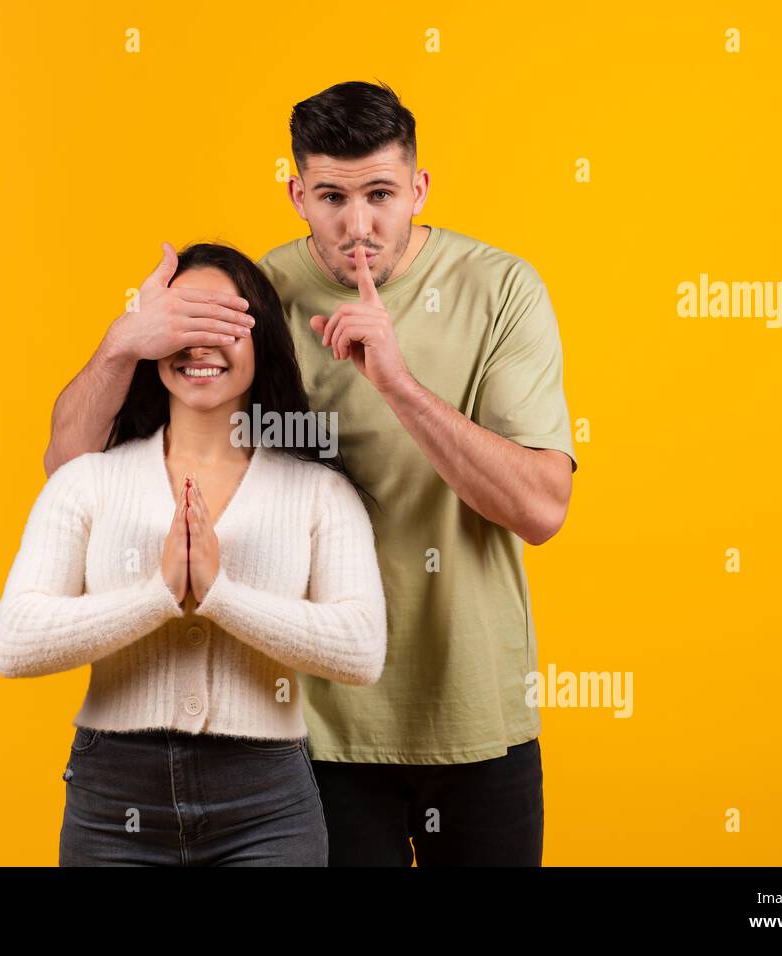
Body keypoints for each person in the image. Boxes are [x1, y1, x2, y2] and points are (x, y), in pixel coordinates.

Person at [43, 80, 578, 866]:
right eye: (331, 196)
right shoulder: (257, 300)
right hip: (311, 735)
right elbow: (71, 476)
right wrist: (124, 342)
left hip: (476, 716)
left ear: (419, 189)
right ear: (297, 192)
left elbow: (541, 509)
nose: (357, 225)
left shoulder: (501, 290)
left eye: (381, 195)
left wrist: (395, 382)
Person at [0, 242, 387, 866]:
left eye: (226, 324)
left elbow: (362, 648)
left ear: (264, 345)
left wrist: (222, 596)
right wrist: (156, 595)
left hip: (267, 804)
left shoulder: (319, 491)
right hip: (111, 801)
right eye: (181, 325)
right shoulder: (89, 480)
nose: (201, 345)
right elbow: (15, 642)